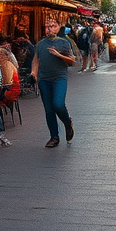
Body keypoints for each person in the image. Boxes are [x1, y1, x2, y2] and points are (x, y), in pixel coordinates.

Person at [32, 16, 76, 148]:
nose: (49, 29)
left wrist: (58, 55)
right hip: (44, 79)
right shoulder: (40, 44)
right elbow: (36, 60)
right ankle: (54, 137)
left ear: (58, 27)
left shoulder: (64, 43)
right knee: (49, 109)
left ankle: (67, 123)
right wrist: (33, 73)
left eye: (52, 26)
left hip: (59, 78)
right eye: (47, 27)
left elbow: (72, 61)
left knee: (58, 104)